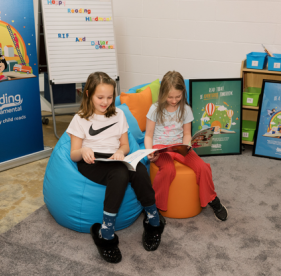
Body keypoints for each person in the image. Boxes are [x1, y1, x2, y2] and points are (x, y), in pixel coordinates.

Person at [67, 71, 164, 264]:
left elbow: (125, 145)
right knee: (120, 173)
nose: (105, 102)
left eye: (110, 97)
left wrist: (121, 151)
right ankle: (106, 232)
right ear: (88, 94)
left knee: (138, 169)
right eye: (100, 97)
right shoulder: (80, 118)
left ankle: (154, 220)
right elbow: (73, 154)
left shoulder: (119, 114)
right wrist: (84, 150)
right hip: (91, 162)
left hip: (115, 158)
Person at [144, 71, 227, 222]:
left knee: (202, 167)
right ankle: (154, 207)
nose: (174, 100)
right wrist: (150, 151)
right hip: (161, 147)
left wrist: (187, 145)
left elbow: (187, 133)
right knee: (168, 169)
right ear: (162, 94)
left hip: (179, 146)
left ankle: (213, 200)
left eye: (178, 96)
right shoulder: (155, 109)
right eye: (170, 97)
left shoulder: (186, 109)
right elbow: (148, 135)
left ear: (183, 93)